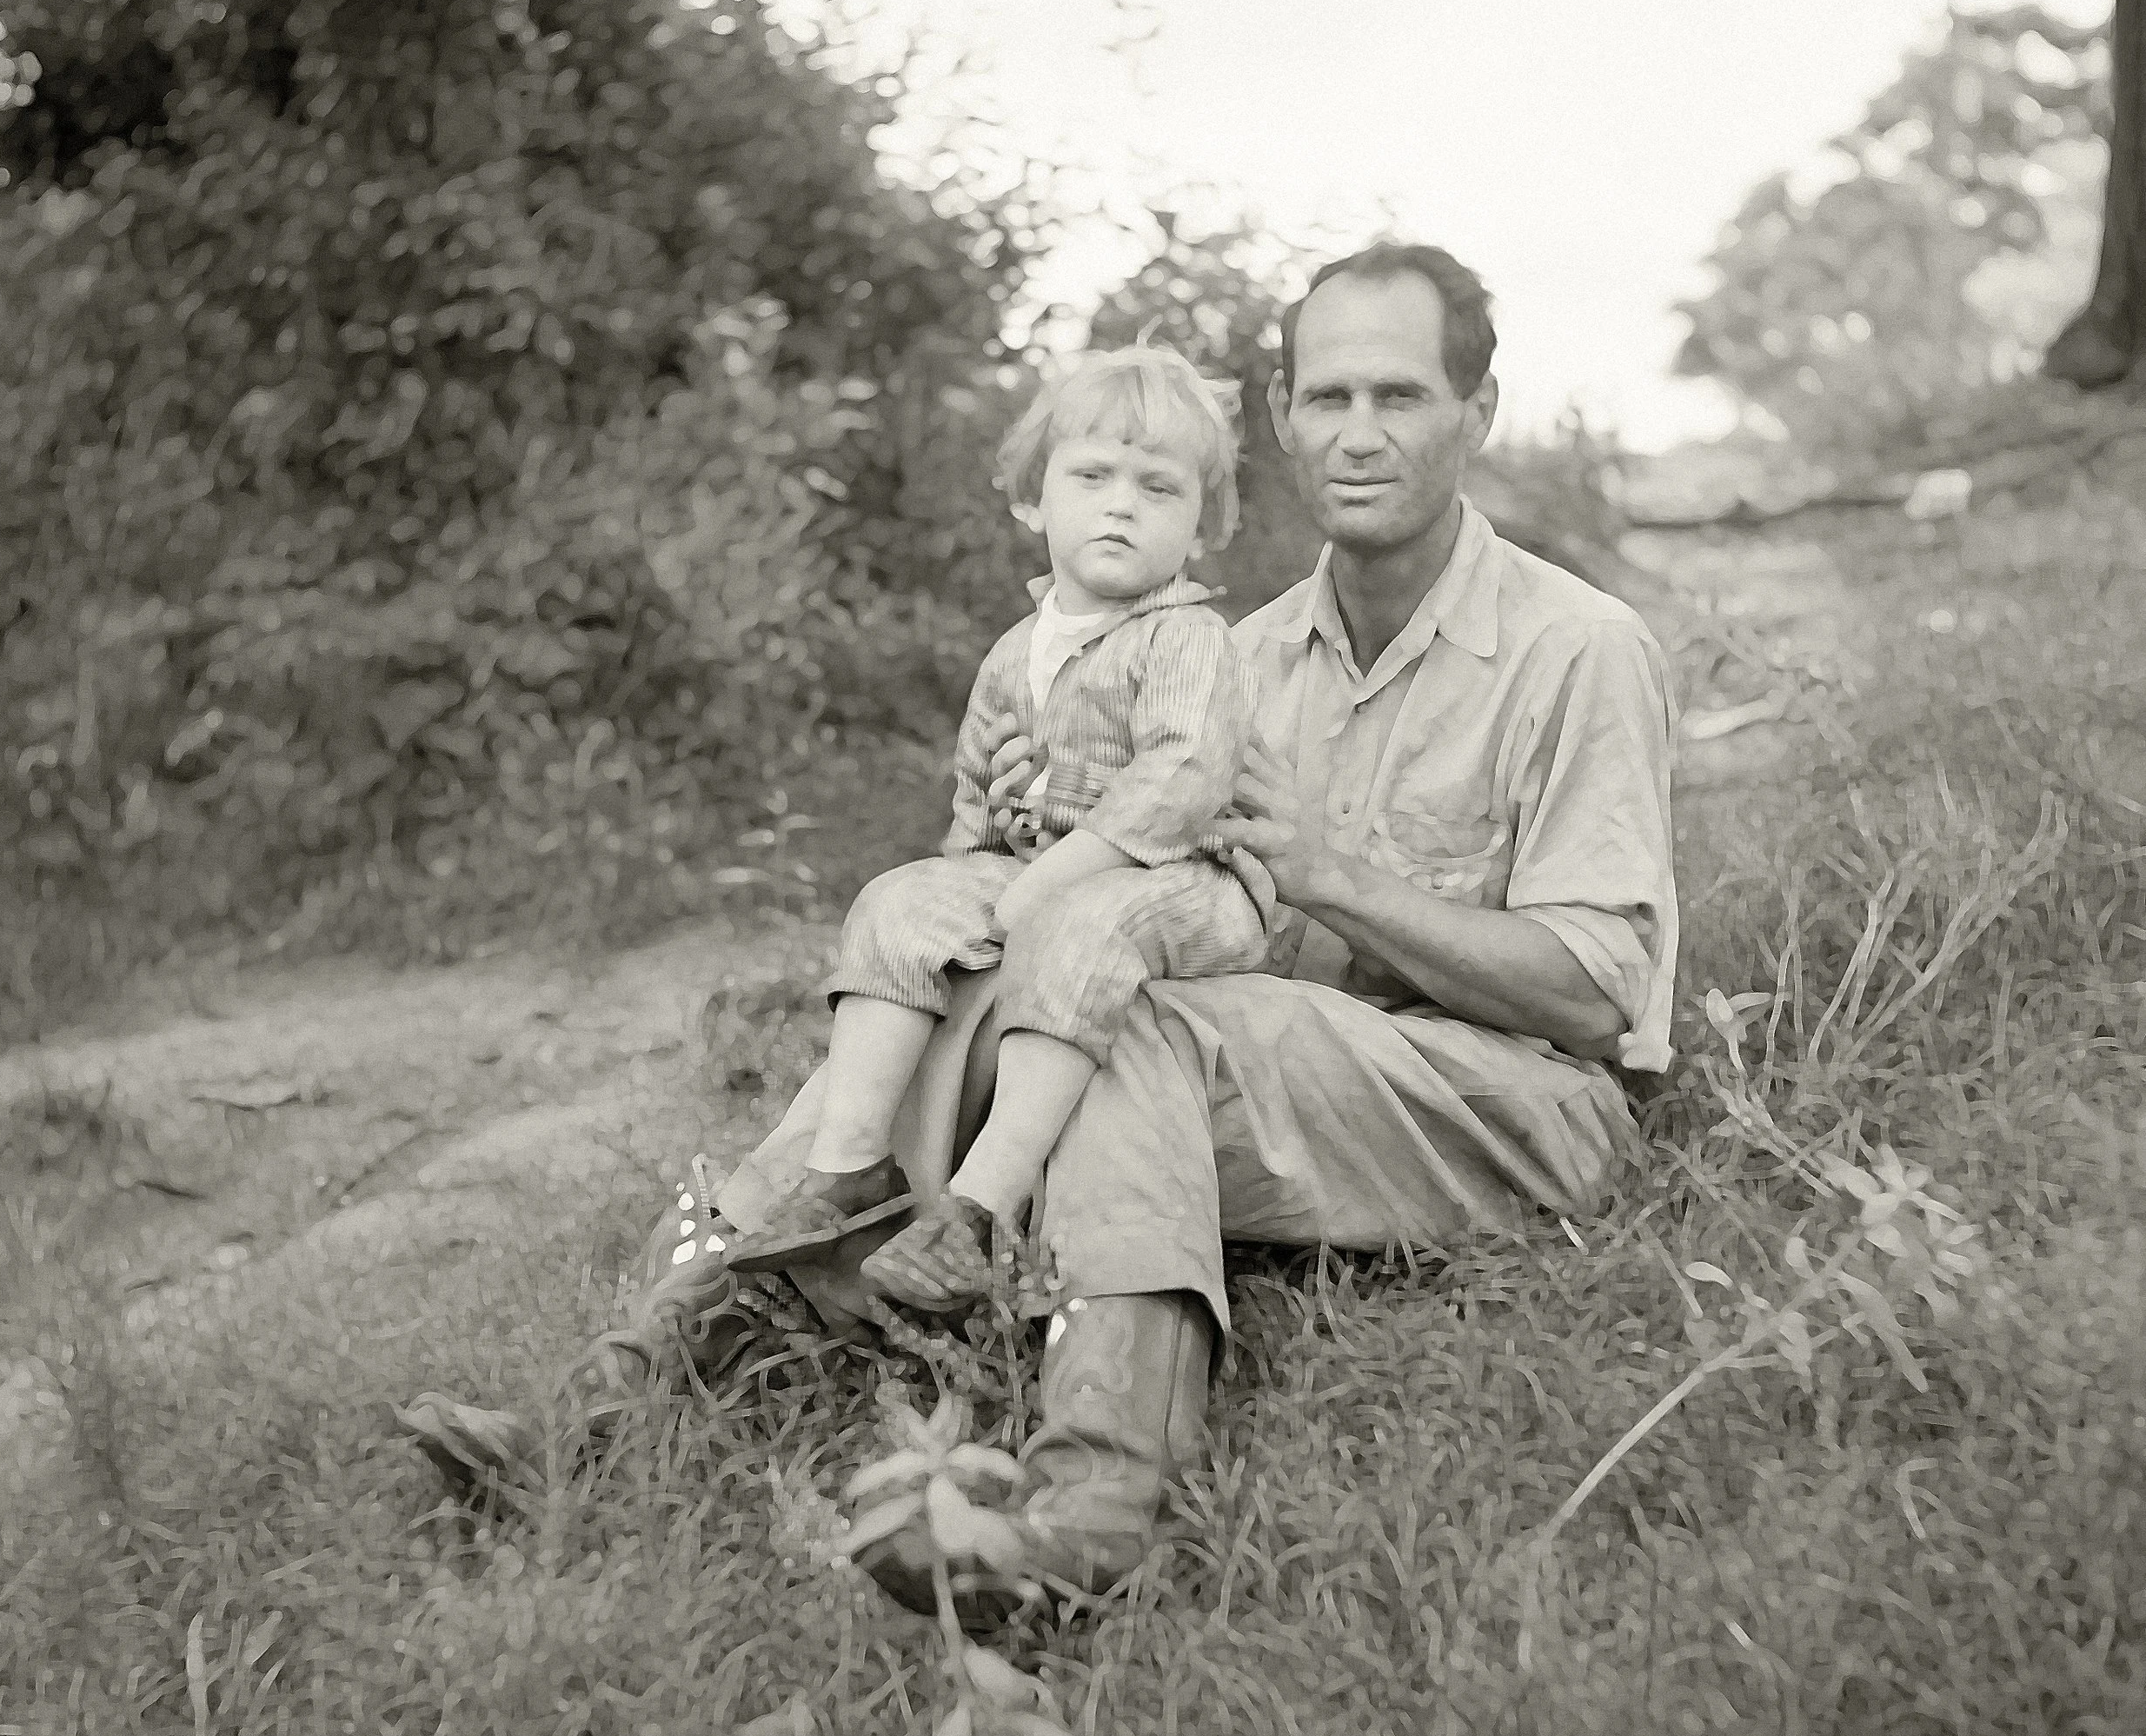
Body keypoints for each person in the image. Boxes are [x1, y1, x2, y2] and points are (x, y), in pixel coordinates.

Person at [399, 243, 1678, 1635]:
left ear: (1477, 413)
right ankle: (618, 1398)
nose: (1359, 434)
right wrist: (1025, 827)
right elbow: (1104, 896)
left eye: (1401, 396)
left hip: (1508, 1102)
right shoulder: (1224, 657)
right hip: (1284, 1065)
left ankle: (1093, 1512)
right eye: (1328, 397)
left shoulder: (1578, 647)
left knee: (1125, 1018)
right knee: (973, 985)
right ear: (1279, 414)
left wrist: (1333, 878)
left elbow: (1600, 999)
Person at [721, 343, 1273, 1320]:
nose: (1121, 506)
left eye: (1158, 487)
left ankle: (975, 1211)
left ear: (1202, 526)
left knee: (1081, 929)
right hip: (1040, 872)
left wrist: (1040, 885)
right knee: (901, 900)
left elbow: (1180, 780)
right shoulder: (1016, 653)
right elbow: (975, 813)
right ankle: (848, 1169)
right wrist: (983, 870)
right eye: (1092, 477)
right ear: (1033, 500)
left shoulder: (1187, 638)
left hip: (1189, 884)